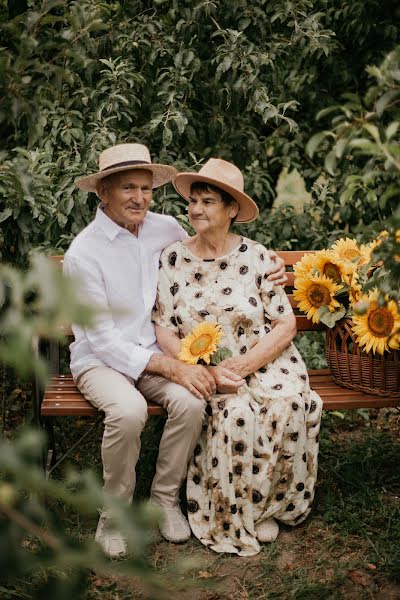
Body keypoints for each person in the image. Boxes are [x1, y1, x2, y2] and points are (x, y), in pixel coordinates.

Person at [63, 144, 287, 558]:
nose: (139, 198)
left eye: (146, 188)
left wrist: (269, 262)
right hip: (100, 360)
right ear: (103, 193)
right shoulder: (84, 253)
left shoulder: (163, 228)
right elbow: (102, 337)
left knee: (190, 401)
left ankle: (163, 500)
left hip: (154, 353)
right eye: (128, 188)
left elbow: (215, 250)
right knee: (128, 412)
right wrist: (173, 366)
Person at [152, 158, 323, 556]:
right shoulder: (173, 258)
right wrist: (204, 370)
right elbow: (163, 327)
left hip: (264, 360)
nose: (196, 209)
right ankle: (235, 511)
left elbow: (285, 324)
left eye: (208, 201)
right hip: (203, 365)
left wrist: (244, 366)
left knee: (291, 405)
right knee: (237, 413)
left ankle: (267, 507)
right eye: (193, 201)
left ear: (232, 210)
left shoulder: (258, 257)